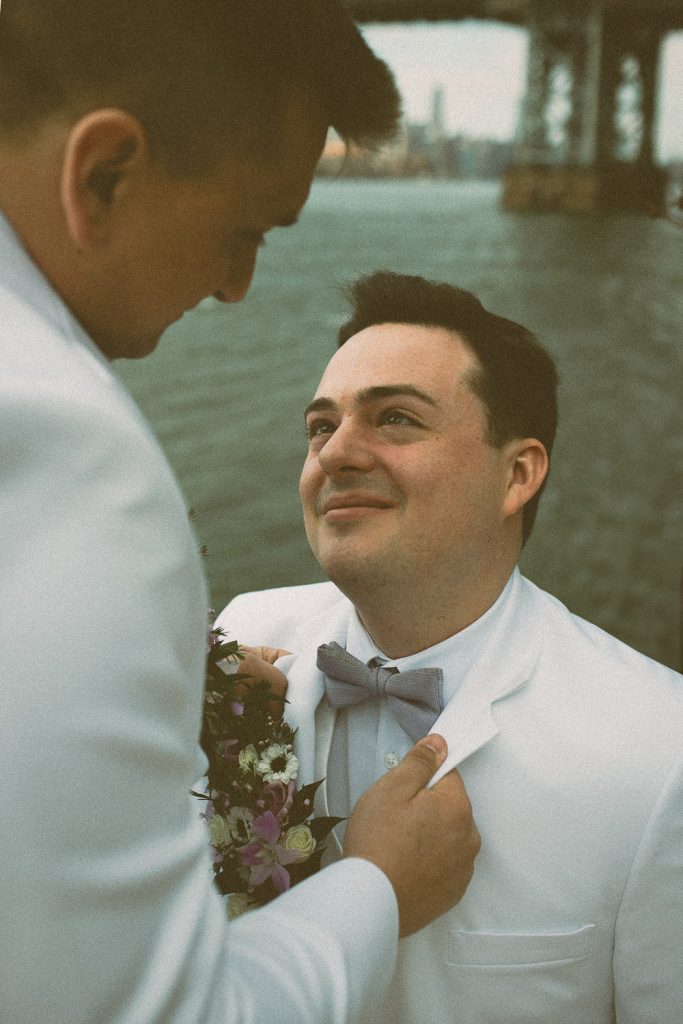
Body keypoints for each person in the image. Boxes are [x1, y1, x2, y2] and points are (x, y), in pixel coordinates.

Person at [0, 6, 481, 1024]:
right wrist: (376, 887)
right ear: (105, 174)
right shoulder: (74, 457)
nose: (235, 287)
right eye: (243, 233)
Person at [218, 271, 683, 1024]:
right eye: (320, 426)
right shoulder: (240, 647)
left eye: (395, 418)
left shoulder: (661, 750)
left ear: (517, 474)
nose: (337, 453)